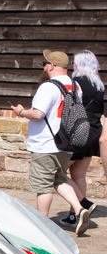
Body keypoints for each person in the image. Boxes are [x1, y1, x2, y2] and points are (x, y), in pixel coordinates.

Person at [10, 50, 90, 235]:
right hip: (66, 142)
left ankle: (42, 225)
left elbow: (38, 114)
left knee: (43, 185)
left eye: (44, 64)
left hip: (46, 143)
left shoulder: (48, 86)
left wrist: (21, 111)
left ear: (52, 66)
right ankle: (79, 209)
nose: (44, 67)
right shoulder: (76, 86)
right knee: (59, 178)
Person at [64, 50, 104, 224]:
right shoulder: (99, 86)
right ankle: (75, 216)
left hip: (76, 134)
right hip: (93, 133)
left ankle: (83, 203)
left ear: (78, 64)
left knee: (55, 173)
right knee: (79, 175)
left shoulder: (75, 83)